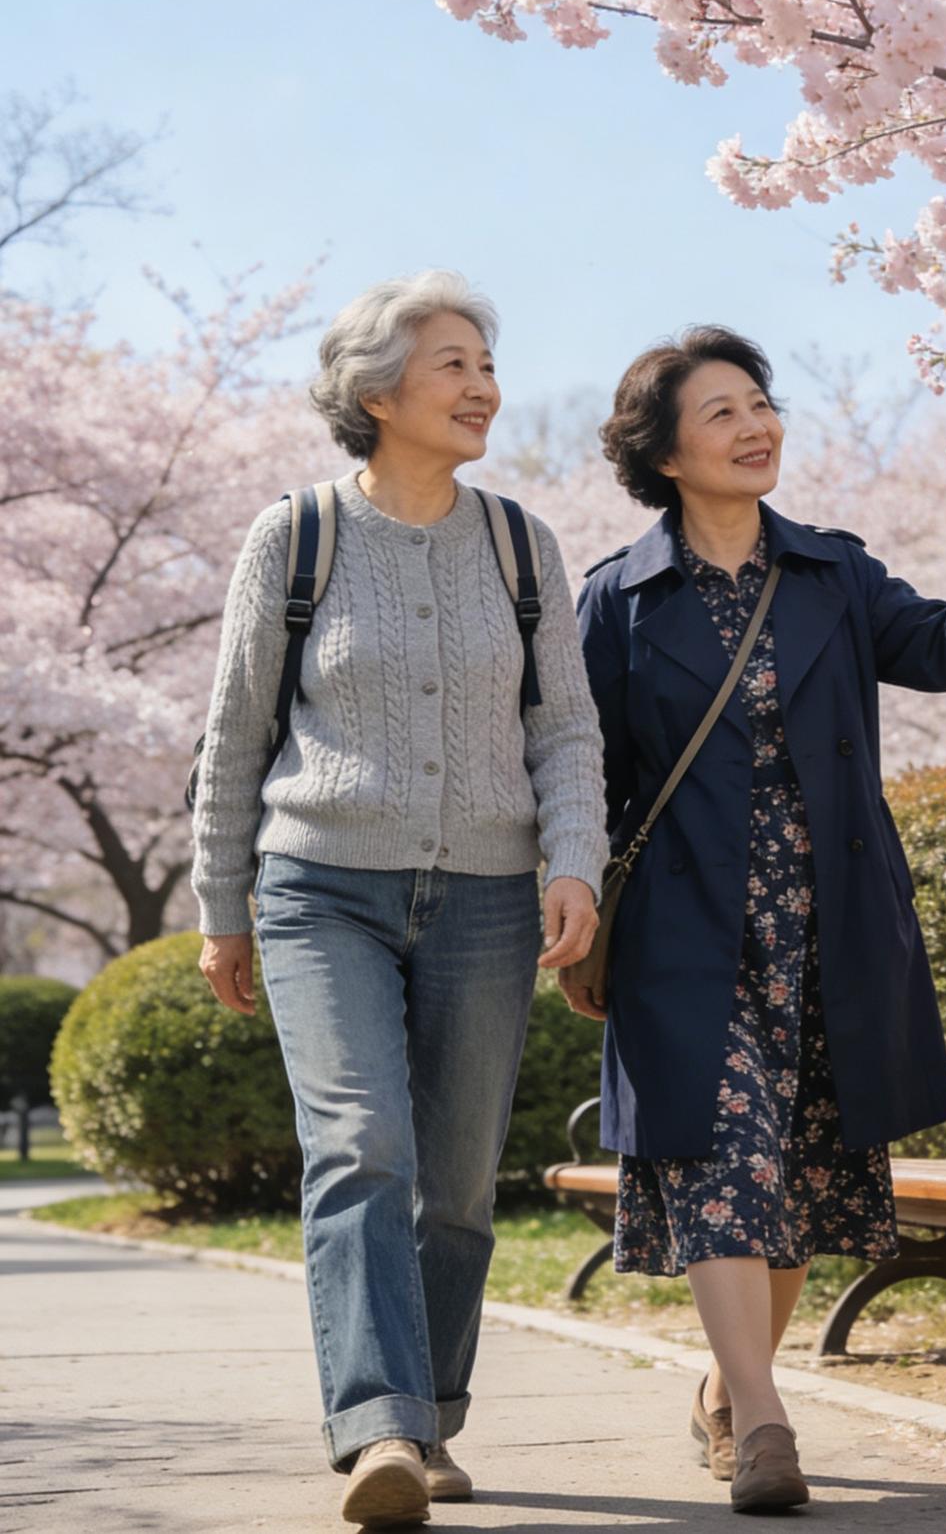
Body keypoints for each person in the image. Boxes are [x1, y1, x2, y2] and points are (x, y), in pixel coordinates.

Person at [571, 326, 946, 1514]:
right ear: (661, 452)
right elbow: (578, 775)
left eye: (762, 403)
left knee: (793, 1181)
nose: (756, 427)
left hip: (831, 925)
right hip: (682, 939)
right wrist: (575, 903)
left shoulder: (833, 573)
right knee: (720, 1163)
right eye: (721, 413)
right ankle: (763, 1415)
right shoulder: (617, 601)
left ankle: (721, 1388)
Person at [191, 270, 608, 1529]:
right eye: (453, 364)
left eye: (486, 362)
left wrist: (573, 859)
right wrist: (222, 901)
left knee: (461, 1183)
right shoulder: (297, 536)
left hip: (486, 894)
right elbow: (235, 732)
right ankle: (378, 1425)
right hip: (321, 886)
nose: (483, 386)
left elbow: (565, 729)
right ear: (375, 392)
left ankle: (428, 1419)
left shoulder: (518, 542)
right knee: (361, 1141)